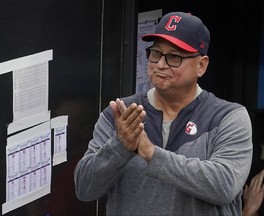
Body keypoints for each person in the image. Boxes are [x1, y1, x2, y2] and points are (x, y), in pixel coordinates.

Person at [74, 11, 253, 216]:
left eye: (174, 57)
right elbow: (85, 189)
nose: (160, 64)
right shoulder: (122, 115)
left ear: (201, 65)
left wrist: (151, 153)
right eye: (156, 53)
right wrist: (120, 146)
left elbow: (224, 186)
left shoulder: (228, 117)